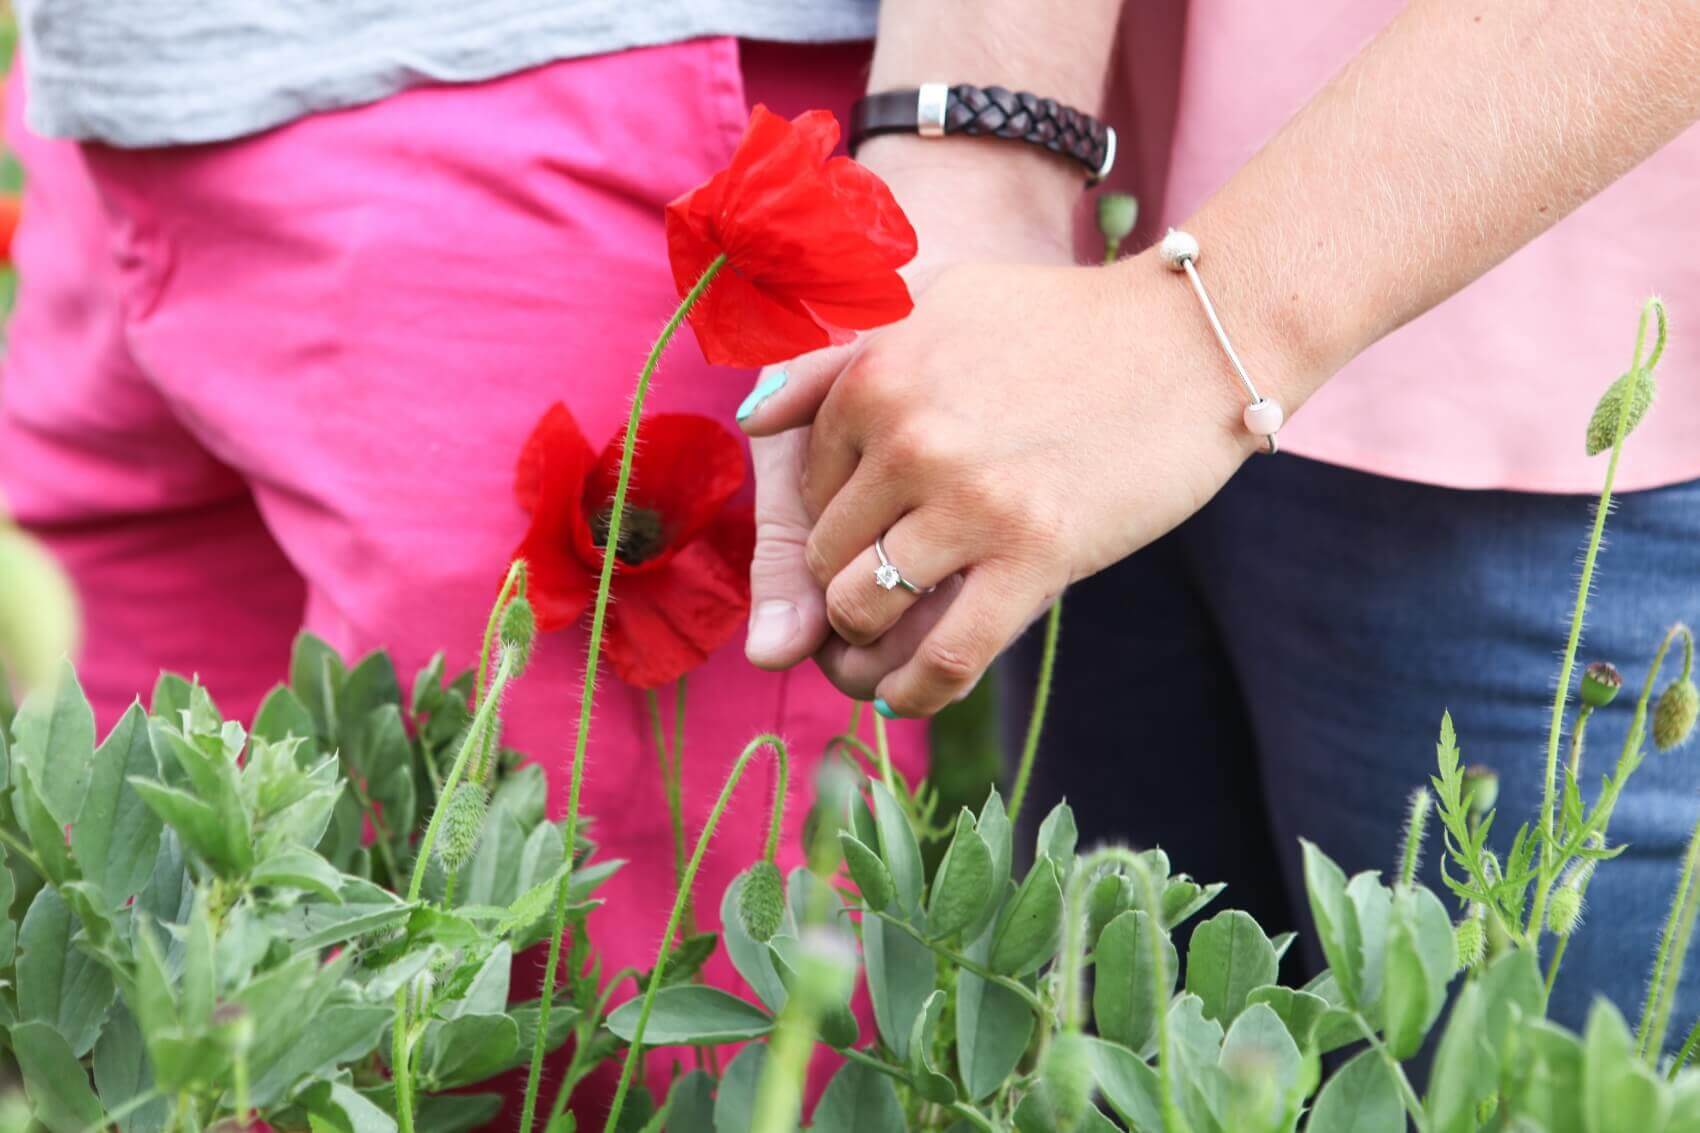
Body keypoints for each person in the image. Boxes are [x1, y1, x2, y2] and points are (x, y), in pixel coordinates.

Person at [736, 1, 1700, 1035]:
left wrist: (1202, 334)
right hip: (1084, 352)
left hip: (1542, 339)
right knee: (1127, 1062)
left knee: (1502, 1081)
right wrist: (975, 160)